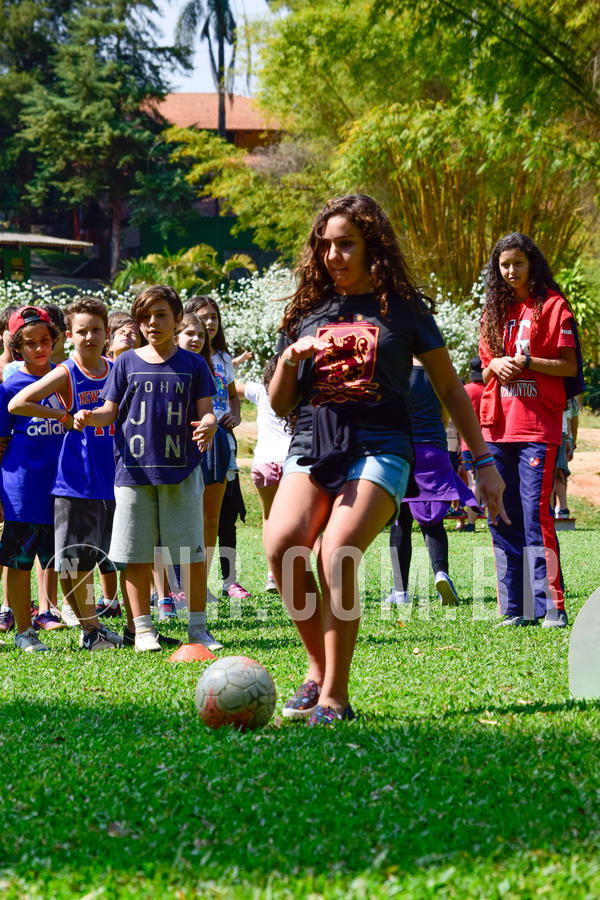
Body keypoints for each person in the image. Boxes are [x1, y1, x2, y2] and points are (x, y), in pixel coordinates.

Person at [264, 193, 506, 725]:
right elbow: (281, 402)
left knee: (338, 551)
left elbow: (451, 389)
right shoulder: (307, 311)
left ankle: (335, 696)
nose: (333, 255)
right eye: (324, 245)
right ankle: (315, 668)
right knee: (281, 544)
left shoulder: (404, 312)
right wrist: (288, 359)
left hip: (381, 447)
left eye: (346, 243)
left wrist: (484, 463)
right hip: (313, 443)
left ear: (372, 246)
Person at [73, 284, 222, 652]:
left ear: (176, 319)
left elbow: (206, 410)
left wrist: (210, 423)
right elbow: (110, 410)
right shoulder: (125, 362)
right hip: (133, 474)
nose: (152, 323)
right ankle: (141, 630)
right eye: (145, 317)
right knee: (135, 555)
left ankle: (198, 629)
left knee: (191, 553)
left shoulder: (194, 364)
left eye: (161, 315)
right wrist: (90, 416)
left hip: (182, 471)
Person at [8, 297, 146, 651]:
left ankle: (136, 628)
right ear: (69, 335)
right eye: (82, 331)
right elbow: (16, 404)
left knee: (119, 556)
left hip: (116, 477)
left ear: (106, 333)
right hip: (69, 482)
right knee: (69, 561)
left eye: (96, 330)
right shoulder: (65, 372)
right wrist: (63, 417)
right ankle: (83, 628)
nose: (90, 337)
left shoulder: (119, 367)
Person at [479, 232, 582, 628]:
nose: (510, 271)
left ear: (531, 263)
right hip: (497, 426)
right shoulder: (492, 311)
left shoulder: (553, 306)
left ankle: (551, 605)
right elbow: (486, 366)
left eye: (517, 263)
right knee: (500, 514)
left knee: (535, 512)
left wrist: (526, 362)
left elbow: (569, 367)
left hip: (537, 426)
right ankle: (515, 608)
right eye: (504, 265)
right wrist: (495, 366)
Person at [383, 358, 477, 606]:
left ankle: (401, 592)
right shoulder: (442, 369)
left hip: (403, 451)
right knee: (433, 522)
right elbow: (447, 415)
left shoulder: (395, 369)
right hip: (434, 451)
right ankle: (441, 574)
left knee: (400, 521)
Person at [0, 306, 66, 651]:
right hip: (23, 487)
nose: (39, 348)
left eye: (45, 340)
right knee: (19, 560)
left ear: (55, 340)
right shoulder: (11, 384)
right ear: (18, 348)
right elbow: (1, 439)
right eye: (30, 343)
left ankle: (63, 615)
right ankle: (24, 631)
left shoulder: (65, 376)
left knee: (59, 556)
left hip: (64, 486)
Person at [185, 296, 250, 602]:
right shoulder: (179, 359)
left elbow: (232, 396)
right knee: (186, 515)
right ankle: (177, 585)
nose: (208, 323)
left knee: (216, 515)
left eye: (213, 317)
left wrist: (234, 415)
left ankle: (206, 583)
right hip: (187, 441)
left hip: (220, 440)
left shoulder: (222, 358)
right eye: (201, 317)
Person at [236, 356, 291, 594]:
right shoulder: (299, 395)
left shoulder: (259, 390)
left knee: (269, 519)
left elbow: (228, 384)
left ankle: (272, 575)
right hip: (292, 462)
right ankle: (290, 572)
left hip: (265, 463)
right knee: (294, 522)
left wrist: (228, 364)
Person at [460, 356, 486, 532]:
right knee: (487, 481)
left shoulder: (465, 390)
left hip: (467, 444)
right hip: (487, 442)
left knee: (472, 482)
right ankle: (495, 520)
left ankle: (471, 522)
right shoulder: (489, 390)